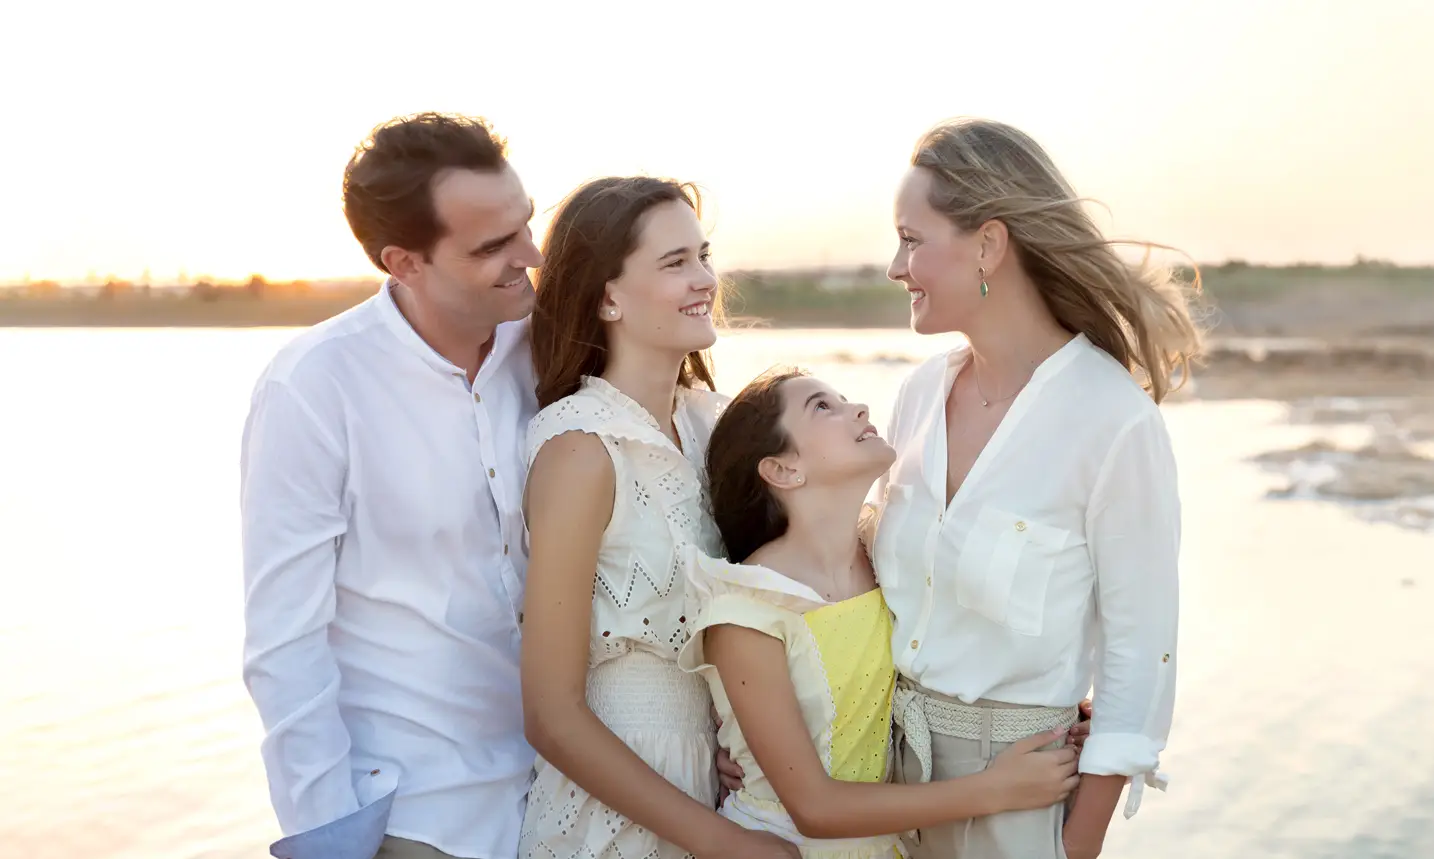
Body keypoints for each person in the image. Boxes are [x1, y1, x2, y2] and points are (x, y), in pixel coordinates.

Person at [874, 117, 1201, 859]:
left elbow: (1139, 657)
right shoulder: (918, 397)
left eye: (911, 239)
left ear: (988, 245)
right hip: (884, 781)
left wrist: (1072, 847)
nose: (895, 266)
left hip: (1022, 803)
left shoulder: (1113, 419)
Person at [240, 112, 545, 859]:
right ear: (404, 263)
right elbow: (285, 642)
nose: (531, 256)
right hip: (417, 817)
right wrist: (334, 840)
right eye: (493, 246)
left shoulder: (551, 352)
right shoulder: (313, 387)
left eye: (525, 226)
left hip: (569, 801)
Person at [678, 368, 1084, 858]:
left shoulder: (885, 557)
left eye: (844, 398)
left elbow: (966, 642)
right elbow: (814, 808)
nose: (859, 409)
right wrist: (995, 790)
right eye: (822, 407)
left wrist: (1060, 704)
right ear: (783, 470)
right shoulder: (751, 607)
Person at [518, 177, 800, 858]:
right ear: (606, 297)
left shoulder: (713, 426)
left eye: (703, 256)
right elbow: (551, 715)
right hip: (612, 813)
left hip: (714, 783)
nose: (704, 279)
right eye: (675, 263)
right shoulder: (582, 449)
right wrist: (727, 844)